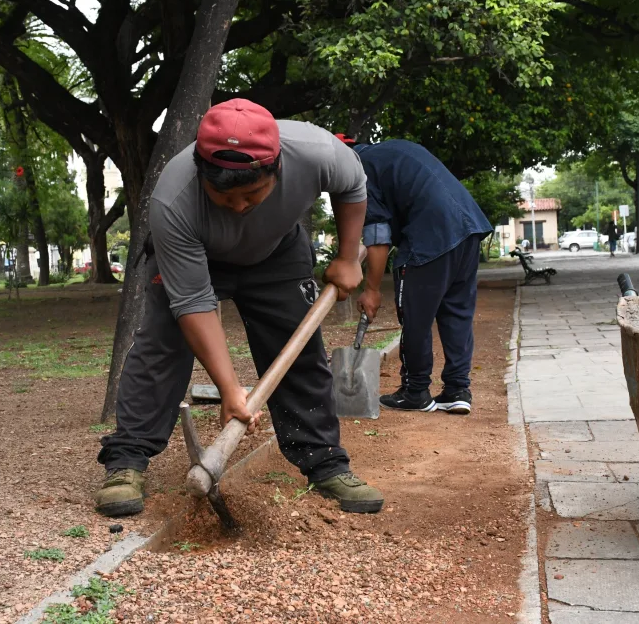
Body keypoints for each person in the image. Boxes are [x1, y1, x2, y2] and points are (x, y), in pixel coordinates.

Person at [94, 99, 384, 518]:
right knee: (160, 347)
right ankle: (126, 459)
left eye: (252, 193)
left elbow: (353, 186)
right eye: (224, 196)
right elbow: (193, 303)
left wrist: (346, 255)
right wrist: (230, 390)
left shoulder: (316, 151)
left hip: (276, 252)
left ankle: (326, 464)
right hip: (198, 254)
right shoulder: (173, 200)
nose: (239, 206)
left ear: (277, 168)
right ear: (201, 172)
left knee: (299, 351)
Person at [350, 139, 493, 415]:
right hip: (468, 228)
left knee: (415, 316)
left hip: (430, 235)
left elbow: (378, 236)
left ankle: (415, 390)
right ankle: (457, 390)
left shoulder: (358, 171)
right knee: (457, 313)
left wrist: (372, 290)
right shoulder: (390, 151)